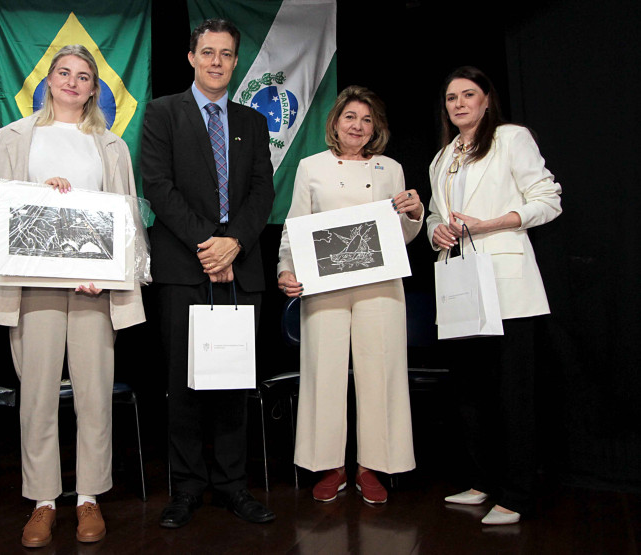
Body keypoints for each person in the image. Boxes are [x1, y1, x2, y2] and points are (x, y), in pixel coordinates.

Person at [0, 44, 145, 548]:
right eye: (63, 72)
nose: (72, 81)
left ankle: (88, 496)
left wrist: (112, 272)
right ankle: (43, 502)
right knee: (38, 394)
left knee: (93, 393)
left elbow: (125, 219)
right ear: (48, 81)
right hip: (33, 285)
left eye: (83, 76)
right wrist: (44, 195)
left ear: (93, 88)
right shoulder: (14, 137)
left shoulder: (112, 146)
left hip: (92, 289)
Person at [141, 18, 275, 528]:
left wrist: (234, 243)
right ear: (192, 57)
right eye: (208, 52)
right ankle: (188, 487)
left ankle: (233, 486)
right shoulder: (161, 114)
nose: (217, 61)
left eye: (226, 54)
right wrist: (208, 245)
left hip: (243, 265)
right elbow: (158, 186)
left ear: (236, 61)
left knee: (236, 381)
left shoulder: (251, 120)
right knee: (186, 382)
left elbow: (263, 191)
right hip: (183, 265)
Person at [426, 66, 562, 525]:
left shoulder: (510, 138)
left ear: (487, 100)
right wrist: (437, 232)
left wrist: (491, 223)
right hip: (460, 285)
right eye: (451, 98)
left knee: (512, 393)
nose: (459, 103)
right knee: (470, 390)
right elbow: (432, 217)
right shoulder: (442, 158)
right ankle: (483, 480)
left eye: (468, 95)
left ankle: (517, 493)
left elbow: (548, 199)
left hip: (506, 283)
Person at [277, 86, 421, 505]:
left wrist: (414, 215)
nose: (357, 126)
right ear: (335, 123)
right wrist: (287, 268)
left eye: (366, 120)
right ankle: (330, 466)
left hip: (380, 285)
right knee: (324, 372)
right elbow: (295, 224)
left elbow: (403, 234)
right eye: (349, 118)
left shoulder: (390, 168)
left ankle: (373, 466)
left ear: (375, 128)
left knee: (381, 372)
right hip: (324, 285)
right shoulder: (310, 167)